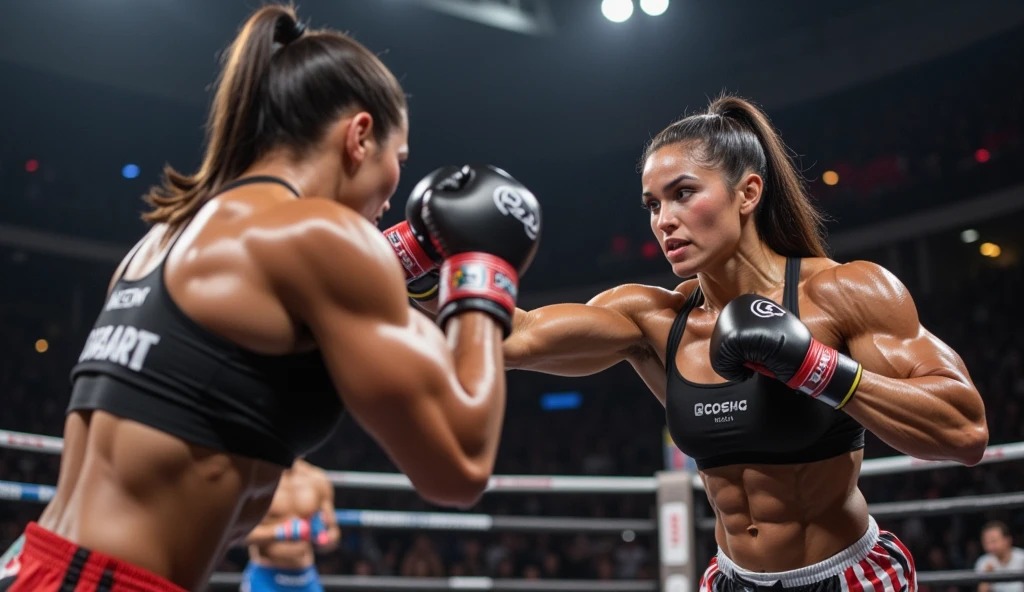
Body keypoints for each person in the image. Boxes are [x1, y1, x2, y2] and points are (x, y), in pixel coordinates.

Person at [0, 4, 541, 592]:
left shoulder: (163, 238)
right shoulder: (320, 238)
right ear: (359, 137)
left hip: (33, 564)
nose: (392, 197)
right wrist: (483, 265)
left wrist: (410, 255)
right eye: (398, 160)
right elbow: (460, 466)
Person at [494, 94, 988, 590]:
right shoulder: (654, 319)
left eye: (683, 193)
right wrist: (421, 263)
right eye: (652, 204)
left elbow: (965, 432)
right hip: (730, 579)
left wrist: (815, 367)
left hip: (846, 576)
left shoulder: (842, 292)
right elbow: (512, 337)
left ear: (748, 193)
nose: (663, 219)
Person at [241, 459, 340, 592]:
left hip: (305, 577)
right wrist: (281, 532)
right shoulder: (258, 478)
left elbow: (333, 532)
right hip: (266, 577)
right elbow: (238, 535)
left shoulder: (317, 479)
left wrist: (324, 538)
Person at [975, 521, 1024, 592]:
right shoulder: (984, 561)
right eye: (986, 542)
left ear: (1007, 540)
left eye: (993, 541)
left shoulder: (1022, 558)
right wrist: (986, 576)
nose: (990, 546)